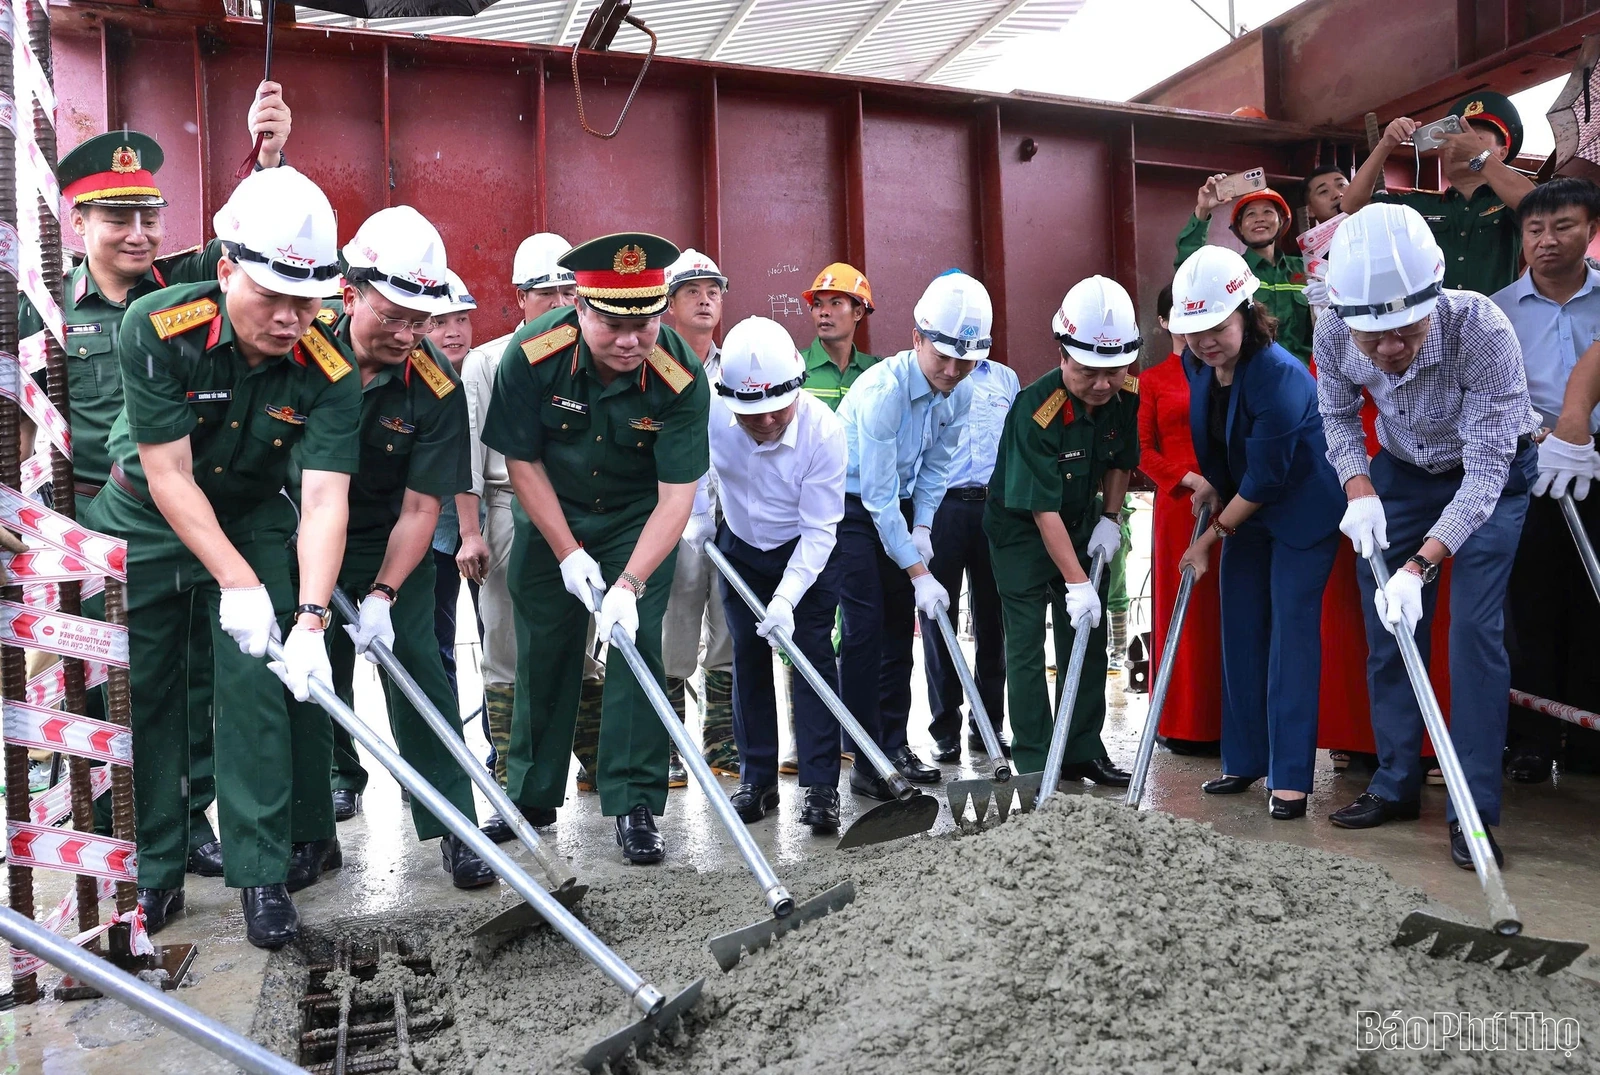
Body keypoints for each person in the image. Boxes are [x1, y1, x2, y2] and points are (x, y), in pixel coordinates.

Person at [82, 167, 356, 948]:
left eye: (309, 300)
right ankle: (152, 870)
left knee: (258, 693)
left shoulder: (326, 364)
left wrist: (308, 618)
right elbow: (167, 473)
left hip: (253, 515)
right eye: (273, 296)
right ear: (227, 269)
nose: (292, 317)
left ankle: (260, 872)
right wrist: (235, 580)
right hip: (146, 515)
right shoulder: (154, 324)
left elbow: (328, 497)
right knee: (145, 693)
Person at [27, 88, 292, 880]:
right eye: (118, 218)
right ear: (79, 224)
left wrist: (268, 153)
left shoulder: (185, 294)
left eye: (149, 216)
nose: (140, 233)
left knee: (200, 675)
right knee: (117, 691)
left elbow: (253, 244)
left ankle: (191, 813)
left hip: (191, 511)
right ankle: (132, 834)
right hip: (88, 530)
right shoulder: (37, 312)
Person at [1318, 202, 1539, 869]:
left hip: (1490, 476)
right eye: (1372, 337)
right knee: (1388, 626)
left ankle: (1472, 810)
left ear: (1433, 296)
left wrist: (1420, 564)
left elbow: (1483, 478)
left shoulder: (1481, 328)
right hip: (1404, 469)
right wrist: (1358, 486)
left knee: (1472, 633)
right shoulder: (1332, 329)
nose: (1389, 349)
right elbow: (1337, 415)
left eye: (1406, 330)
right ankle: (1394, 782)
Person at [481, 233, 710, 865]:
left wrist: (629, 584)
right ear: (579, 308)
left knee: (638, 651)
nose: (632, 340)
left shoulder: (680, 374)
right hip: (553, 513)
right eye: (612, 324)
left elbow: (675, 498)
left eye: (645, 323)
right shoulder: (533, 354)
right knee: (545, 652)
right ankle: (530, 796)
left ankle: (634, 803)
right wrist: (567, 553)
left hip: (640, 524)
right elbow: (521, 461)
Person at [299, 208, 492, 888]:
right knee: (304, 679)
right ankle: (310, 828)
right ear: (349, 294)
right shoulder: (302, 343)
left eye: (422, 318)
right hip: (299, 532)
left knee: (421, 672)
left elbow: (421, 505)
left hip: (388, 541)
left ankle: (454, 824)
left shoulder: (435, 381)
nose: (410, 333)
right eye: (394, 316)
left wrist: (382, 593)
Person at [1170, 248, 1343, 818]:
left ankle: (1291, 777)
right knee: (1240, 627)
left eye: (1217, 327)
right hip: (1245, 506)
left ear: (1247, 311)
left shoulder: (1279, 377)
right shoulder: (1199, 364)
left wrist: (1206, 538)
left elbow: (1268, 478)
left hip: (1299, 513)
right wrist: (1211, 485)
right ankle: (1243, 760)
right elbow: (1218, 443)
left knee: (1291, 636)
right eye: (1193, 331)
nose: (1205, 341)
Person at [462, 233, 606, 827]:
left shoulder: (593, 355)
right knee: (503, 646)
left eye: (569, 293)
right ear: (520, 299)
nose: (558, 304)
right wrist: (470, 534)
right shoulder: (489, 362)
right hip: (503, 508)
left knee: (584, 644)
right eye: (546, 294)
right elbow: (469, 459)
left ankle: (597, 762)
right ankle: (510, 778)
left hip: (577, 511)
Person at [835, 271, 985, 798]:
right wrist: (919, 570)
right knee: (865, 626)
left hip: (897, 506)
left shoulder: (958, 393)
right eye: (942, 357)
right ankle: (863, 755)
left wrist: (921, 528)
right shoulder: (883, 393)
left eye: (964, 361)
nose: (951, 371)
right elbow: (873, 497)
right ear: (917, 338)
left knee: (900, 627)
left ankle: (894, 742)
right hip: (848, 506)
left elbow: (937, 468)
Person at [985, 275, 1139, 786]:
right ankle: (1035, 759)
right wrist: (1077, 583)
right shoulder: (1037, 410)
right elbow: (1041, 511)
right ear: (1063, 354)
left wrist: (1110, 518)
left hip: (1080, 520)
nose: (1102, 384)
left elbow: (1119, 457)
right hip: (1022, 532)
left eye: (1114, 371)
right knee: (1027, 644)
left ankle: (1081, 750)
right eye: (1089, 372)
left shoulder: (1125, 392)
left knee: (1086, 636)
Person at [709, 318, 848, 833]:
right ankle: (758, 779)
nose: (765, 422)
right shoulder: (712, 415)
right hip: (739, 548)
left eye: (776, 411)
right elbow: (694, 470)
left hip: (805, 549)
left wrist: (787, 597)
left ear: (797, 387)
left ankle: (820, 787)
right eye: (751, 415)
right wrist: (699, 518)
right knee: (747, 657)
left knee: (811, 656)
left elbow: (819, 532)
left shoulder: (824, 432)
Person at [1490, 176, 1600, 780]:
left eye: (1563, 226)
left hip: (1598, 459)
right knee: (1530, 598)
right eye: (1535, 229)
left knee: (1593, 598)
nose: (1547, 240)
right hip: (1529, 461)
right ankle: (1531, 739)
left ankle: (1588, 741)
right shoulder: (1498, 311)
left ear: (1590, 229)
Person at [917, 334, 1019, 763]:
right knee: (939, 617)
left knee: (993, 619)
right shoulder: (938, 377)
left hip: (994, 508)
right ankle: (946, 728)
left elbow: (1016, 445)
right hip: (944, 507)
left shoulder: (1006, 380)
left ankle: (988, 724)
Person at [660, 250, 736, 784]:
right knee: (674, 626)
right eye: (692, 291)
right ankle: (666, 741)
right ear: (668, 304)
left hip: (730, 517)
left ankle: (723, 743)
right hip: (672, 518)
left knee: (729, 626)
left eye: (712, 290)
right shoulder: (652, 360)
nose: (705, 299)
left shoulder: (737, 366)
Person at [1136, 285, 1223, 753]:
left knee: (1228, 611)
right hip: (1179, 505)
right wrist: (1189, 479)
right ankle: (1183, 721)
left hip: (1229, 502)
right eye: (1177, 313)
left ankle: (1228, 717)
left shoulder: (1226, 372)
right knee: (1180, 609)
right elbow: (1144, 451)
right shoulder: (1151, 380)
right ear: (1165, 322)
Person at [1343, 93, 1532, 295]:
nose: (1461, 145)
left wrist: (1480, 156)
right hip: (1435, 324)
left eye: (1476, 139)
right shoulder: (1420, 204)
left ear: (1502, 153)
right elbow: (1352, 205)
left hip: (1496, 320)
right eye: (1455, 139)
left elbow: (1538, 206)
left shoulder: (1507, 200)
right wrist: (1386, 144)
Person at [425, 270, 483, 704]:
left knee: (498, 644)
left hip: (489, 532)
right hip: (429, 534)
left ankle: (496, 757)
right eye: (440, 322)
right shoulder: (415, 380)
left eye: (462, 319)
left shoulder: (492, 373)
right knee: (434, 643)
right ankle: (447, 750)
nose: (453, 332)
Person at [1176, 182, 1310, 362]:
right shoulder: (1232, 270)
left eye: (1268, 212)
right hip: (1249, 373)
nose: (1259, 218)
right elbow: (1189, 269)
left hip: (1303, 375)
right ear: (1239, 227)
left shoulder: (1306, 268)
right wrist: (1203, 210)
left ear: (1281, 221)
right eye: (1251, 214)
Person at [801, 262, 878, 410]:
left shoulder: (875, 370)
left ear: (858, 313)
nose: (824, 312)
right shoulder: (795, 367)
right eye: (817, 304)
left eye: (835, 303)